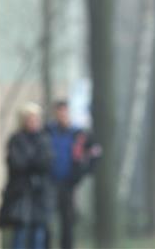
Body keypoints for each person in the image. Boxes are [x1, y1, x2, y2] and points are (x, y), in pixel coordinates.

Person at [0, 102, 53, 249]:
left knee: (38, 234)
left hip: (40, 194)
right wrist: (33, 162)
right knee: (20, 233)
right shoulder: (16, 140)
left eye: (35, 119)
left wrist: (30, 162)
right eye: (30, 119)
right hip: (20, 194)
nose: (33, 122)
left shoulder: (44, 139)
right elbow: (16, 163)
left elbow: (46, 162)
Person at [46, 100, 102, 249]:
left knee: (67, 222)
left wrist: (83, 172)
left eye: (64, 111)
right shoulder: (48, 132)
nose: (62, 114)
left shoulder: (79, 134)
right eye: (59, 111)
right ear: (55, 113)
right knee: (47, 221)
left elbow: (95, 152)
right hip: (49, 183)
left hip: (69, 184)